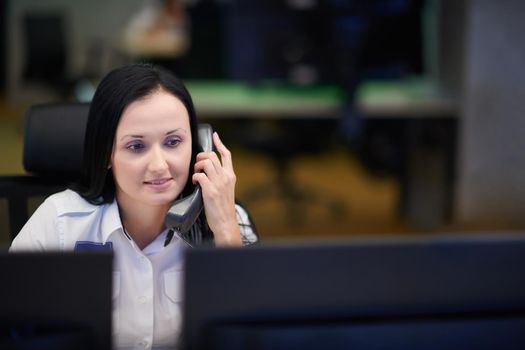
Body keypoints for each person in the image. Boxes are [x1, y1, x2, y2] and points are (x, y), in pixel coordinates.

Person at [10, 63, 258, 349]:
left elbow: (249, 336)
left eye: (173, 141)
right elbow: (12, 326)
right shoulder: (60, 222)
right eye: (136, 146)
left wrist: (226, 231)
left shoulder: (228, 219)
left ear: (198, 148)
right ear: (106, 153)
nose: (159, 165)